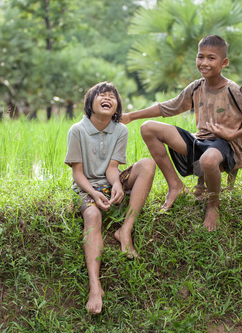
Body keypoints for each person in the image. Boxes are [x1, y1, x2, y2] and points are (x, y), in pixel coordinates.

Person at [121, 35, 242, 232]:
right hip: (199, 142)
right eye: (200, 57)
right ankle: (175, 186)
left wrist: (232, 135)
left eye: (211, 58)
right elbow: (170, 107)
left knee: (207, 161)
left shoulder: (233, 90)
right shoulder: (196, 86)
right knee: (148, 128)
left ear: (224, 62)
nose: (204, 62)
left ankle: (213, 204)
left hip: (223, 146)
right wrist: (131, 115)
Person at [64, 81, 156, 314]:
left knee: (146, 164)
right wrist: (94, 194)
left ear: (117, 108)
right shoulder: (77, 130)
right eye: (101, 95)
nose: (107, 98)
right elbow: (77, 173)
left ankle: (125, 230)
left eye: (112, 96)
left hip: (108, 182)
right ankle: (95, 286)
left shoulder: (120, 130)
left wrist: (116, 184)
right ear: (89, 103)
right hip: (86, 186)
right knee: (93, 215)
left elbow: (112, 167)